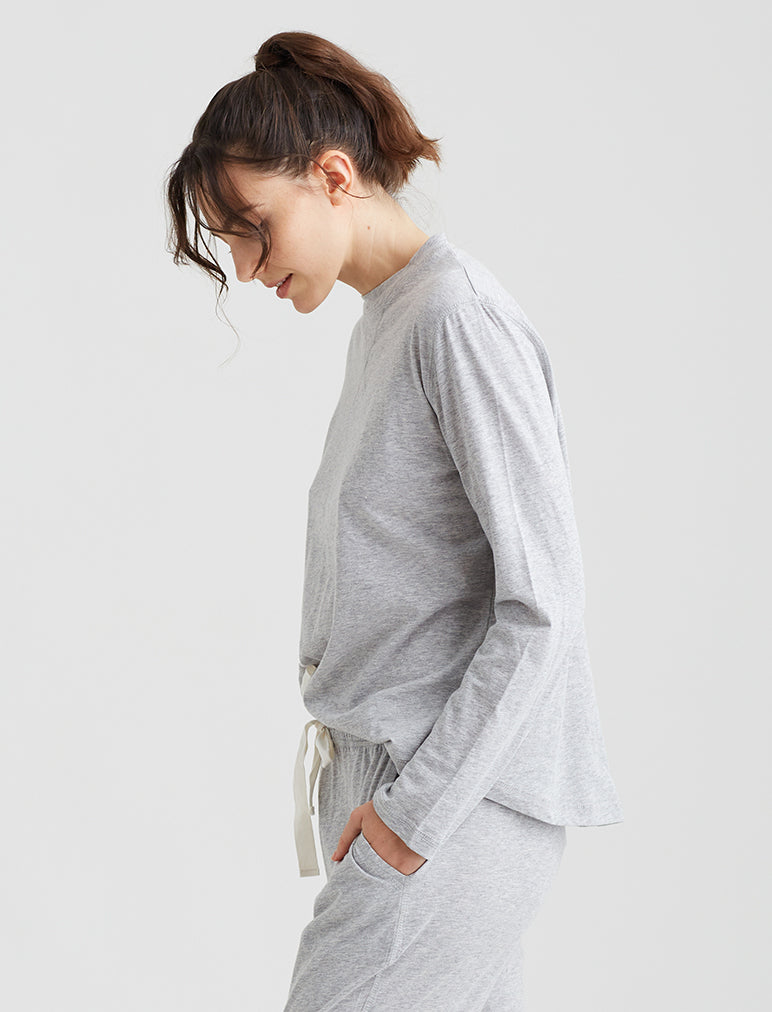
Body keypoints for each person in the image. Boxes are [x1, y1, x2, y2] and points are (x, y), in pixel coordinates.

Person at [164, 29, 624, 1012]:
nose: (243, 265)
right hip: (411, 789)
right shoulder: (393, 320)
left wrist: (415, 813)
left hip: (449, 796)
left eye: (251, 226)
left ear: (333, 176)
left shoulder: (456, 316)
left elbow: (544, 601)